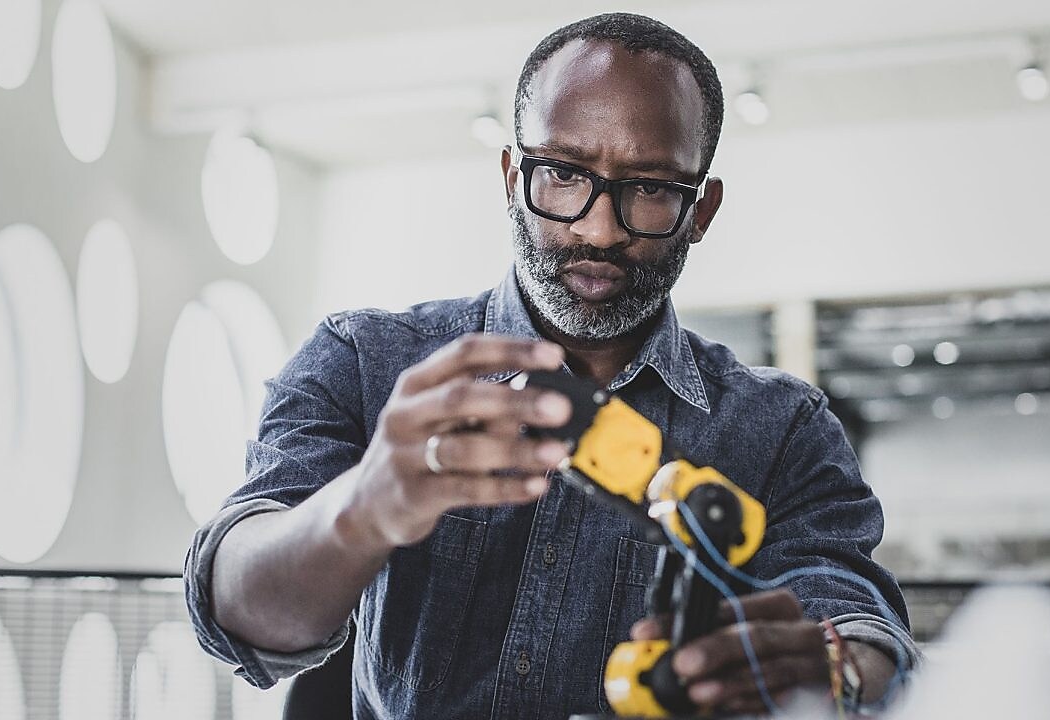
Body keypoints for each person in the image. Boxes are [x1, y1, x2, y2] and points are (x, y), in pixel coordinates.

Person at [184, 12, 918, 719]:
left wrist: (835, 670)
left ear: (701, 209)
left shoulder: (783, 427)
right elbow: (236, 609)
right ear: (512, 175)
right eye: (563, 174)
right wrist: (362, 510)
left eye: (653, 189)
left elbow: (856, 617)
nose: (599, 229)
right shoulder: (366, 362)